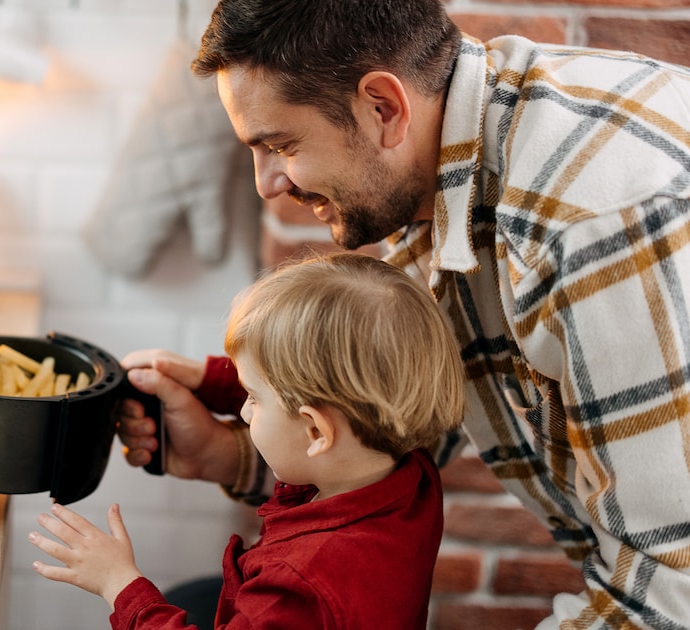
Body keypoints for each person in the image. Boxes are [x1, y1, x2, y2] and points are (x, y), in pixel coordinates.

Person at [116, 0, 690, 628]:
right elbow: (388, 420)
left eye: (280, 144)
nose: (267, 184)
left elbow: (664, 600)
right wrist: (225, 456)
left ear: (383, 107)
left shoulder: (595, 230)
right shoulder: (427, 170)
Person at [30, 253, 466, 629]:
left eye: (253, 398)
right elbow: (328, 398)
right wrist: (208, 379)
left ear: (315, 432)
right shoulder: (410, 470)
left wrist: (119, 584)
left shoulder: (294, 588)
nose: (243, 410)